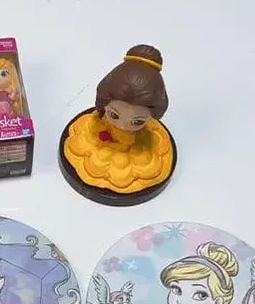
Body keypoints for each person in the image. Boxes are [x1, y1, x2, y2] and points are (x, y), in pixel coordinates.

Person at [63, 44, 174, 194]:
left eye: (137, 121)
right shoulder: (92, 128)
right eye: (114, 115)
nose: (122, 126)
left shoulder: (149, 141)